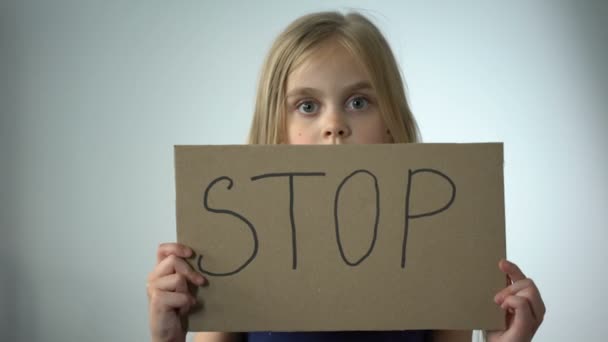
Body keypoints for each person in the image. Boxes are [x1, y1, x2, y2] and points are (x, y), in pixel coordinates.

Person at [146, 11, 546, 342]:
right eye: (306, 106)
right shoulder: (239, 248)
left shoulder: (436, 245)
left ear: (389, 121)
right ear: (277, 125)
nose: (334, 124)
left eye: (358, 102)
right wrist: (168, 338)